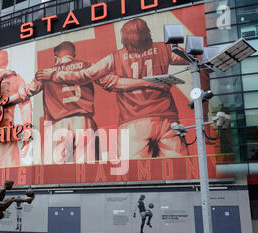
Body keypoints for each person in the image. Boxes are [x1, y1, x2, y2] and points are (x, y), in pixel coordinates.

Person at [36, 18, 189, 159]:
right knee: (180, 169)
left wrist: (55, 74)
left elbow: (85, 75)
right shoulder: (164, 49)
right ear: (147, 32)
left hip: (132, 122)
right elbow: (196, 59)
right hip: (168, 119)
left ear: (124, 37)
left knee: (133, 175)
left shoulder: (115, 57)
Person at [10, 40, 155, 164]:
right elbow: (113, 83)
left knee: (55, 174)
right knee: (87, 171)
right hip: (83, 122)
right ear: (73, 55)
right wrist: (145, 83)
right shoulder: (87, 66)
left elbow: (25, 94)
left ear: (55, 58)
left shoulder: (45, 73)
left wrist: (3, 102)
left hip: (57, 126)